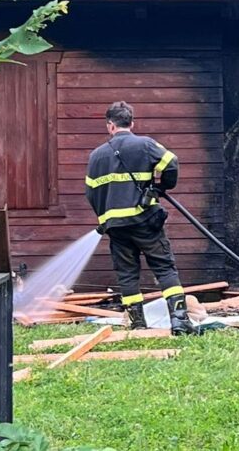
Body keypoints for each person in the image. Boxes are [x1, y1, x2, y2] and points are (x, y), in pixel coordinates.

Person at [84, 101, 198, 335]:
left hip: (115, 226)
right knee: (164, 267)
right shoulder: (144, 145)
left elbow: (91, 192)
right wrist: (160, 188)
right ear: (131, 123)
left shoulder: (96, 155)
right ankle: (179, 321)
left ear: (110, 126)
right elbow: (171, 162)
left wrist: (105, 218)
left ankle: (137, 325)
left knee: (127, 274)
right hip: (145, 220)